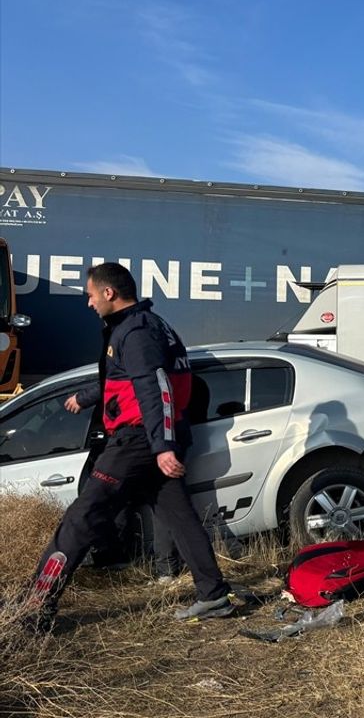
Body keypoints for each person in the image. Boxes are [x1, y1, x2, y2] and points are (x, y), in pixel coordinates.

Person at [25, 262, 232, 632]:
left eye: (90, 295)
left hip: (138, 440)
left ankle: (35, 607)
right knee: (179, 515)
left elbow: (156, 388)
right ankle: (213, 592)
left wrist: (162, 446)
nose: (88, 303)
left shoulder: (135, 332)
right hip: (150, 440)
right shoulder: (147, 325)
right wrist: (88, 397)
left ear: (109, 293)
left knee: (81, 517)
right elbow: (124, 378)